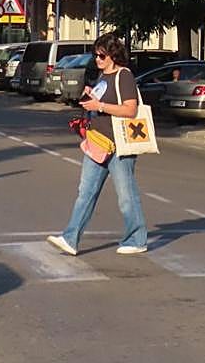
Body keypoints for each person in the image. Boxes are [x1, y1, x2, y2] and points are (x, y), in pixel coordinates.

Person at [48, 32, 149, 255]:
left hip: (118, 145)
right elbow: (101, 102)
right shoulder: (103, 77)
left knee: (126, 195)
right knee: (85, 192)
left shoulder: (124, 76)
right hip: (97, 142)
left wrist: (100, 106)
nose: (97, 59)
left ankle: (137, 238)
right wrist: (91, 96)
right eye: (95, 55)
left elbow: (130, 109)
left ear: (113, 55)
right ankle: (70, 238)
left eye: (101, 55)